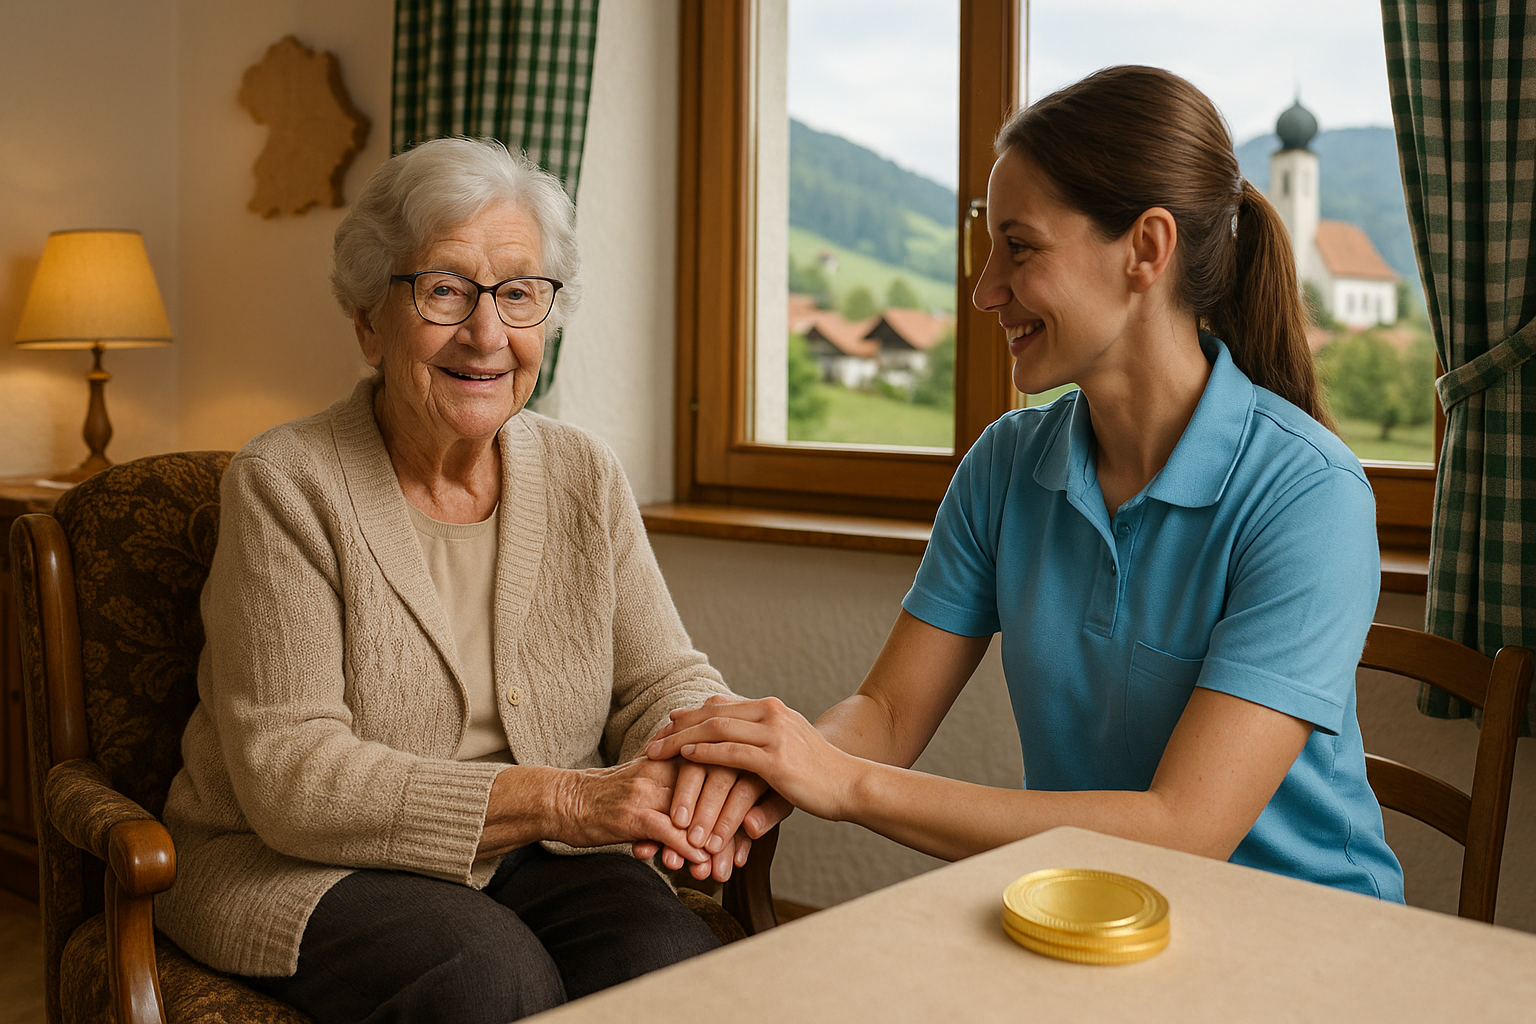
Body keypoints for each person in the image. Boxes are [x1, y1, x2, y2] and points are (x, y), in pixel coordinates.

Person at [649, 66, 1405, 902]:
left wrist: (845, 784)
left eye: (1020, 248)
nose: (984, 291)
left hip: (1305, 942)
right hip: (1087, 920)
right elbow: (889, 716)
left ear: (1146, 250)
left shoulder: (1310, 495)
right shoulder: (1007, 465)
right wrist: (773, 763)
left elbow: (1183, 829)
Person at [156, 137, 754, 1024]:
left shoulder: (582, 471)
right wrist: (566, 796)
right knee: (488, 980)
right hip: (305, 864)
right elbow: (292, 775)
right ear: (368, 320)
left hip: (538, 856)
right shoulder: (287, 482)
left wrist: (719, 757)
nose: (486, 333)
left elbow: (659, 679)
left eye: (519, 294)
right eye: (444, 289)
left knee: (674, 970)